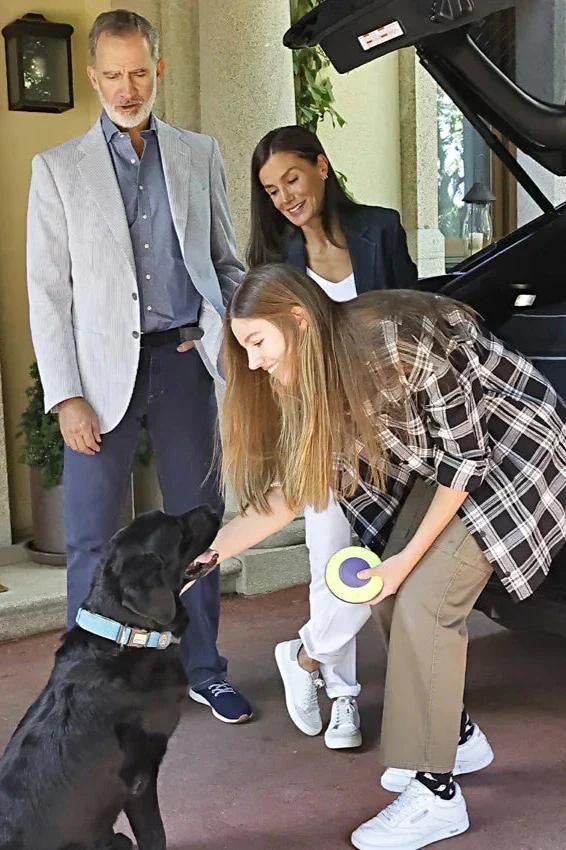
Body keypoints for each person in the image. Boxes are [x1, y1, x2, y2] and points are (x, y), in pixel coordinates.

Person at [193, 263, 566, 849]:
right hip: (449, 469)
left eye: (257, 343)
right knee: (385, 589)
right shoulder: (310, 377)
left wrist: (405, 562)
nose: (254, 361)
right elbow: (292, 493)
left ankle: (436, 796)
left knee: (424, 601)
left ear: (297, 321)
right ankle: (456, 736)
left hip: (514, 451)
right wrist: (203, 558)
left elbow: (466, 462)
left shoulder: (396, 344)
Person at [26, 9, 251, 724]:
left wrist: (234, 341)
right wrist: (64, 396)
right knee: (92, 534)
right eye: (113, 76)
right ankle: (89, 686)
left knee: (200, 530)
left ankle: (203, 667)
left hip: (186, 365)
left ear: (159, 70)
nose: (127, 89)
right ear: (94, 78)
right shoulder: (57, 170)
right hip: (97, 379)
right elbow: (49, 291)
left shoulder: (198, 154)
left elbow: (226, 261)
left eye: (139, 73)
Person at [248, 125, 418, 749]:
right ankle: (344, 698)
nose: (285, 196)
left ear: (321, 166)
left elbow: (412, 313)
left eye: (292, 178)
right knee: (331, 563)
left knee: (378, 562)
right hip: (318, 429)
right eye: (271, 190)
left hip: (392, 428)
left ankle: (304, 657)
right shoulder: (277, 264)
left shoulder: (382, 229)